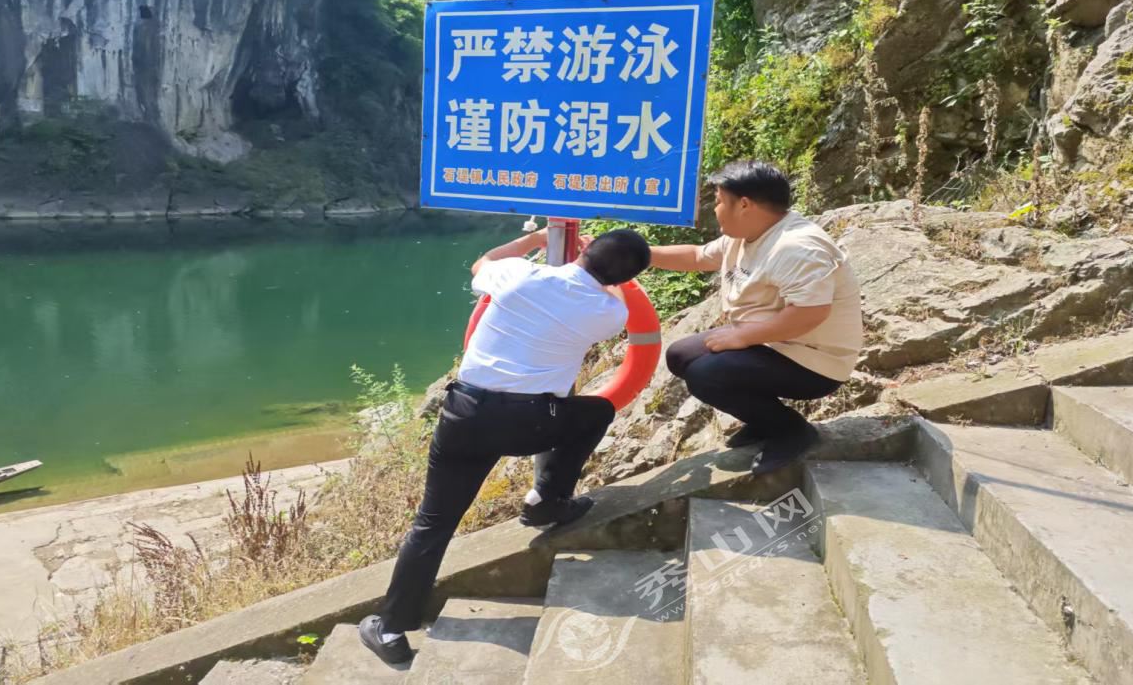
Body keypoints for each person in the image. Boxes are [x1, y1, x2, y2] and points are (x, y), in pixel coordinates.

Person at [359, 227, 652, 665]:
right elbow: (615, 294)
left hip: (467, 417)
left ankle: (391, 629)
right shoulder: (609, 312)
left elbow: (481, 263)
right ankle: (547, 501)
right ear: (624, 278)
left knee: (433, 523)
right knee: (595, 411)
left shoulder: (518, 275)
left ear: (587, 248)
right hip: (533, 425)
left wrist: (535, 241)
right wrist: (613, 276)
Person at [650, 161, 863, 476]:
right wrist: (641, 254)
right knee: (680, 355)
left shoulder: (797, 247)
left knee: (706, 374)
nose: (716, 210)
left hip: (816, 362)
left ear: (744, 205)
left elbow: (810, 313)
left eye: (719, 201)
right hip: (775, 343)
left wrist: (741, 337)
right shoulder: (747, 233)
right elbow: (698, 256)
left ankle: (790, 431)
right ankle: (764, 418)